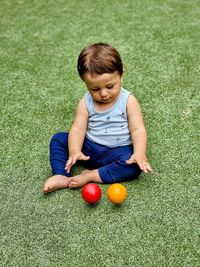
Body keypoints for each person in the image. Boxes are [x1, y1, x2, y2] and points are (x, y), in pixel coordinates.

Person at [43, 42, 153, 194]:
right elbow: (78, 128)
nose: (103, 94)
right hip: (89, 149)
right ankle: (61, 174)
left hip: (118, 151)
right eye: (95, 89)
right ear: (86, 84)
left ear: (122, 75)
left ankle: (91, 175)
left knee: (133, 166)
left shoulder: (128, 101)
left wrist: (139, 153)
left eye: (110, 86)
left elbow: (138, 129)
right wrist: (75, 150)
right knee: (59, 139)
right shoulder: (85, 102)